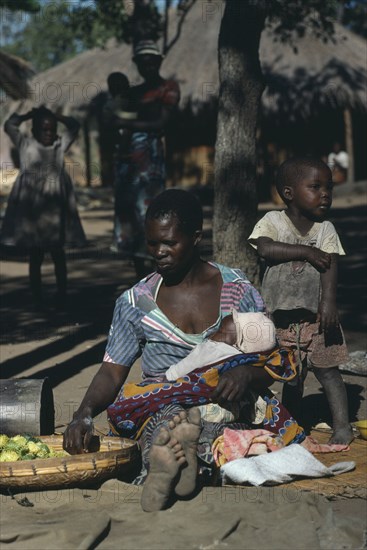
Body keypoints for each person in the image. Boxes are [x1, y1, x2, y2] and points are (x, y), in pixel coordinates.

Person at [63, 189, 304, 513]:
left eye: (169, 243)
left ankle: (177, 465)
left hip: (229, 398)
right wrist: (83, 414)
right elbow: (111, 370)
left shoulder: (237, 289)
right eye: (152, 244)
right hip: (164, 400)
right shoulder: (136, 302)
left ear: (195, 238)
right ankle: (190, 461)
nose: (159, 252)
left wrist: (246, 374)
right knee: (168, 421)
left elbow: (271, 354)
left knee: (219, 421)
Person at [248, 157, 354, 445]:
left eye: (329, 188)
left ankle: (342, 425)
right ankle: (292, 425)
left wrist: (329, 303)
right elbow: (266, 249)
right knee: (291, 374)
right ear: (288, 193)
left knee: (328, 371)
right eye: (316, 187)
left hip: (317, 318)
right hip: (280, 318)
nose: (325, 194)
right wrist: (306, 252)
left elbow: (330, 266)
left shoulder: (325, 229)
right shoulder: (272, 221)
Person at [1, 107, 86, 306]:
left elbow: (74, 125)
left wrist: (56, 116)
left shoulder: (59, 145)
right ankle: (37, 295)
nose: (48, 134)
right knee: (36, 254)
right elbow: (9, 125)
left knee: (57, 252)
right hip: (33, 211)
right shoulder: (25, 144)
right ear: (34, 131)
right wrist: (28, 115)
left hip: (55, 210)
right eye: (43, 130)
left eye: (51, 129)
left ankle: (62, 292)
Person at [111, 40, 180, 270]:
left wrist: (127, 122)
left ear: (159, 62)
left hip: (149, 156)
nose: (147, 66)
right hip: (126, 158)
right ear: (137, 65)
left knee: (149, 210)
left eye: (151, 61)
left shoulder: (168, 88)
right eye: (142, 62)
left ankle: (155, 274)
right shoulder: (133, 92)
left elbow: (162, 121)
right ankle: (140, 275)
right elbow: (114, 118)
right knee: (128, 211)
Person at [102, 72, 137, 252]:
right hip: (123, 160)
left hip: (135, 159)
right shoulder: (111, 105)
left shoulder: (132, 101)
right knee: (127, 208)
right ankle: (131, 247)